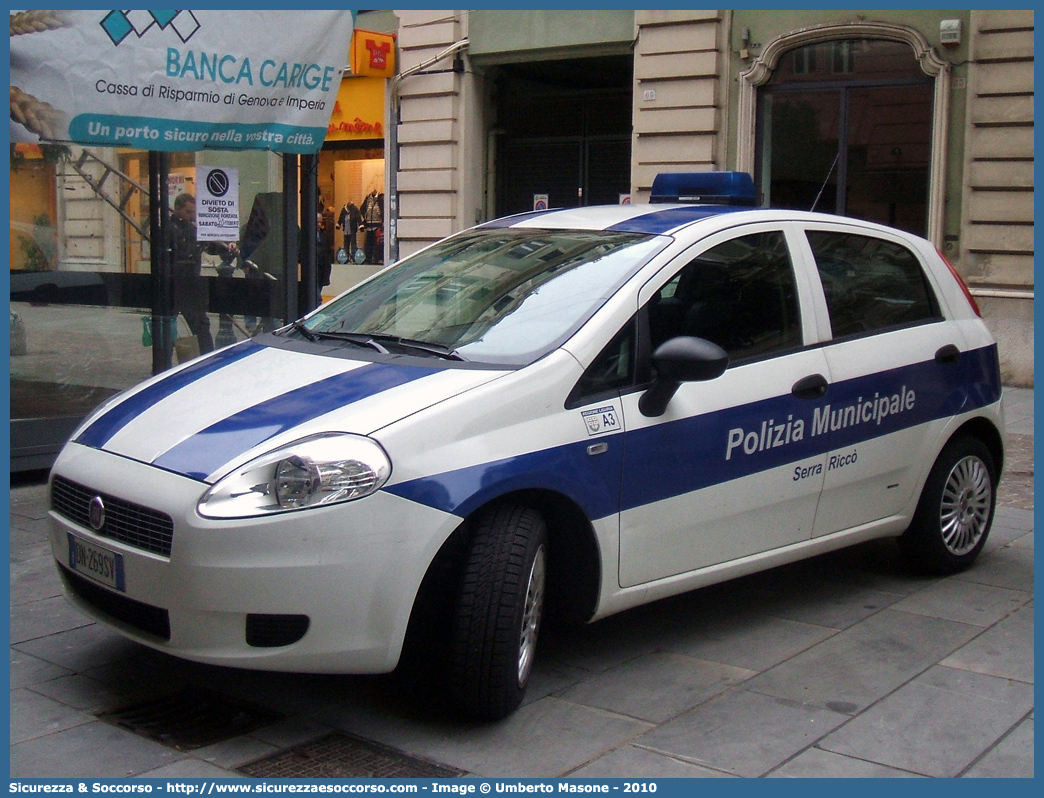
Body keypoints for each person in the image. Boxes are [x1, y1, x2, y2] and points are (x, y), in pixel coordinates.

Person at [169, 193, 238, 355]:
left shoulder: (193, 229)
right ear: (177, 209)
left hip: (190, 285)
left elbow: (212, 248)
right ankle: (162, 364)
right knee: (168, 328)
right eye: (188, 212)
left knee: (201, 327)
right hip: (173, 285)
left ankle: (208, 360)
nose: (191, 216)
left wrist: (229, 247)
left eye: (194, 212)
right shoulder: (169, 228)